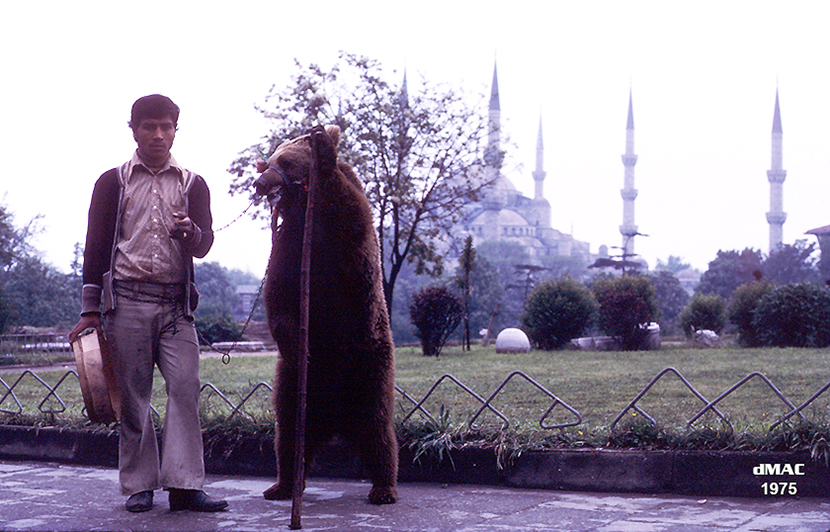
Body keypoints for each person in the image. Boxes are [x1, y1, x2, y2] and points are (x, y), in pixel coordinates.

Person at [69, 94, 227, 513]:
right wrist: (90, 310)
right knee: (134, 396)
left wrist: (190, 232)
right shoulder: (112, 182)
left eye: (166, 126)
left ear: (177, 129)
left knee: (185, 389)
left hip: (177, 307)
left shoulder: (193, 183)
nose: (158, 134)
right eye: (149, 126)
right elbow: (96, 246)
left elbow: (205, 244)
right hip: (128, 301)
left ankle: (185, 485)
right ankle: (140, 484)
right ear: (133, 129)